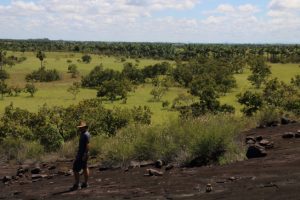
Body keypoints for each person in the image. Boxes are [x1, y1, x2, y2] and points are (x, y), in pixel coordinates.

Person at [70, 121, 91, 191]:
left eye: (81, 127)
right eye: (80, 127)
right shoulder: (85, 134)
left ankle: (77, 184)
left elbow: (87, 145)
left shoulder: (85, 135)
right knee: (85, 167)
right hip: (83, 154)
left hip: (82, 154)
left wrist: (85, 154)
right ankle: (85, 183)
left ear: (85, 127)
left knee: (75, 169)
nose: (80, 128)